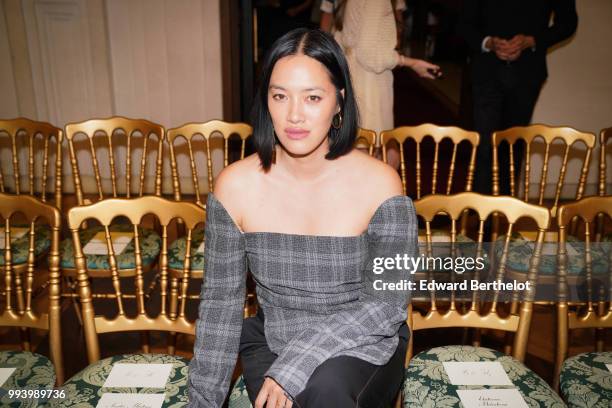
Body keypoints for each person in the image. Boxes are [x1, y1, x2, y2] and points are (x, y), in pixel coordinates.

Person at [188, 28, 418, 407]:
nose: (294, 115)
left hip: (363, 341)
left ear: (339, 101)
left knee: (327, 390)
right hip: (274, 336)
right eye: (280, 96)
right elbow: (220, 307)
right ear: (267, 101)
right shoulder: (236, 185)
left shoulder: (381, 184)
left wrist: (297, 363)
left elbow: (386, 305)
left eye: (313, 97)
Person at [459, 0, 578, 195]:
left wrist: (532, 40)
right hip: (487, 71)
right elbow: (464, 22)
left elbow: (568, 22)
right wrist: (488, 42)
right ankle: (481, 213)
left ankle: (505, 212)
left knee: (513, 145)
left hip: (528, 73)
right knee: (485, 144)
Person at [320, 0, 440, 169]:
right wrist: (410, 62)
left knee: (357, 164)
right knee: (377, 168)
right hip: (369, 91)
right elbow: (372, 56)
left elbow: (336, 36)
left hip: (349, 83)